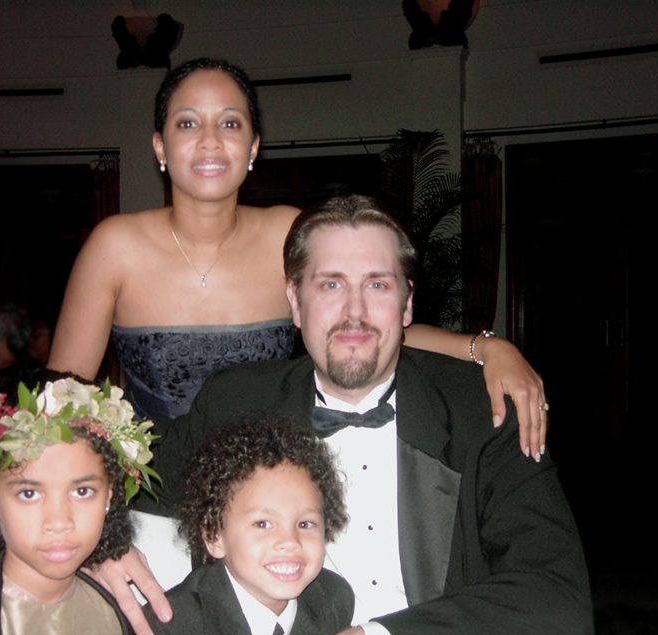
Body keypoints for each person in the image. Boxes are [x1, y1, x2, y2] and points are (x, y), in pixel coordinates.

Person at [104, 196, 593, 635]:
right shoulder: (236, 403)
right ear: (296, 302)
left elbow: (556, 593)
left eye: (377, 285)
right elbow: (114, 465)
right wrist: (98, 543)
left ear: (407, 304)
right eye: (331, 284)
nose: (354, 312)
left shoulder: (483, 410)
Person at [49, 58, 547, 456]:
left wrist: (485, 348)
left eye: (229, 122)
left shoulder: (286, 232)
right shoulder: (114, 246)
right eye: (187, 123)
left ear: (253, 146)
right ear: (160, 146)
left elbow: (366, 322)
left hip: (268, 482)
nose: (209, 141)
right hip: (150, 486)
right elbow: (59, 403)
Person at [0, 375, 155, 635]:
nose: (59, 522)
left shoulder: (111, 611)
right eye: (29, 494)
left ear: (109, 495)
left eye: (82, 492)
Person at [145, 417, 354, 635]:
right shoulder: (170, 628)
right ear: (214, 536)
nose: (290, 541)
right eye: (262, 524)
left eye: (305, 524)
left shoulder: (332, 599)